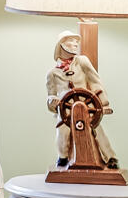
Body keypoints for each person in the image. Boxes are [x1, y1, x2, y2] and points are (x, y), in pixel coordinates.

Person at [46, 29, 118, 168]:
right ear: (61, 45)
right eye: (70, 41)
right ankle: (63, 158)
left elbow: (95, 80)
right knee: (62, 131)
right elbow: (51, 94)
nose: (75, 44)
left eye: (76, 41)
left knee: (96, 129)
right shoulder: (52, 74)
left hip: (87, 107)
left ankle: (110, 158)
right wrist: (52, 101)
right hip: (66, 110)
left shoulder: (82, 61)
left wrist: (102, 103)